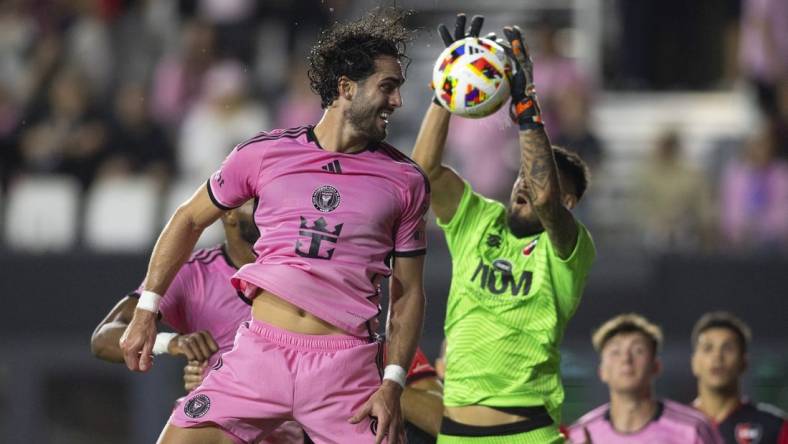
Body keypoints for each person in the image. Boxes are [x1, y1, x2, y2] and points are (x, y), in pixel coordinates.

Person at [119, 8, 429, 444]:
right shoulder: (263, 154)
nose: (397, 101)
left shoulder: (406, 180)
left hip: (345, 370)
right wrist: (148, 310)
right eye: (387, 87)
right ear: (345, 88)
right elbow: (188, 218)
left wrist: (393, 382)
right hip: (259, 354)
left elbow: (409, 291)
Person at [412, 14, 596, 443]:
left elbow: (545, 197)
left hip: (528, 432)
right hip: (454, 433)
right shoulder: (477, 219)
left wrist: (526, 105)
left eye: (535, 183)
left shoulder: (569, 250)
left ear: (567, 203)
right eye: (521, 180)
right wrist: (447, 90)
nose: (524, 187)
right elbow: (422, 174)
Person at [91, 202, 306, 444]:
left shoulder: (304, 265)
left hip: (301, 425)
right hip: (227, 424)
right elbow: (103, 339)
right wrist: (173, 343)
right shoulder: (192, 273)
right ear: (229, 212)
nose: (269, 206)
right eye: (255, 201)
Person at [567, 314, 722, 444]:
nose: (626, 359)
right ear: (602, 372)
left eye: (638, 350)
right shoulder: (580, 434)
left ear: (656, 366)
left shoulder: (693, 429)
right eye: (615, 352)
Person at [691, 311, 788, 444]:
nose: (717, 357)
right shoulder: (671, 426)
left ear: (744, 363)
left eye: (728, 348)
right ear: (694, 362)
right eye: (708, 348)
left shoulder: (775, 427)